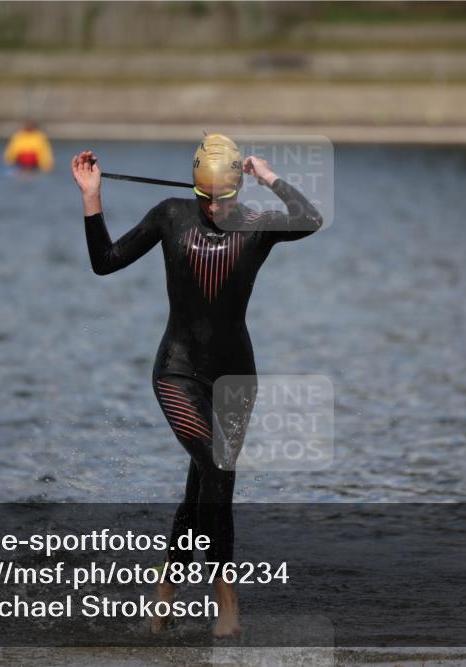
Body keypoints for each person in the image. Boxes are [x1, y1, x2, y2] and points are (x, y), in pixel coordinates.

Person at [71, 134, 322, 637]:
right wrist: (91, 196)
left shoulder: (257, 225)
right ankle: (225, 601)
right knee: (217, 468)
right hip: (177, 372)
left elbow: (310, 218)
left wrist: (268, 176)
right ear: (194, 185)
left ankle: (165, 588)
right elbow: (106, 261)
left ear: (237, 190)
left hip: (236, 380)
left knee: (206, 486)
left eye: (223, 197)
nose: (213, 207)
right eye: (205, 196)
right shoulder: (170, 215)